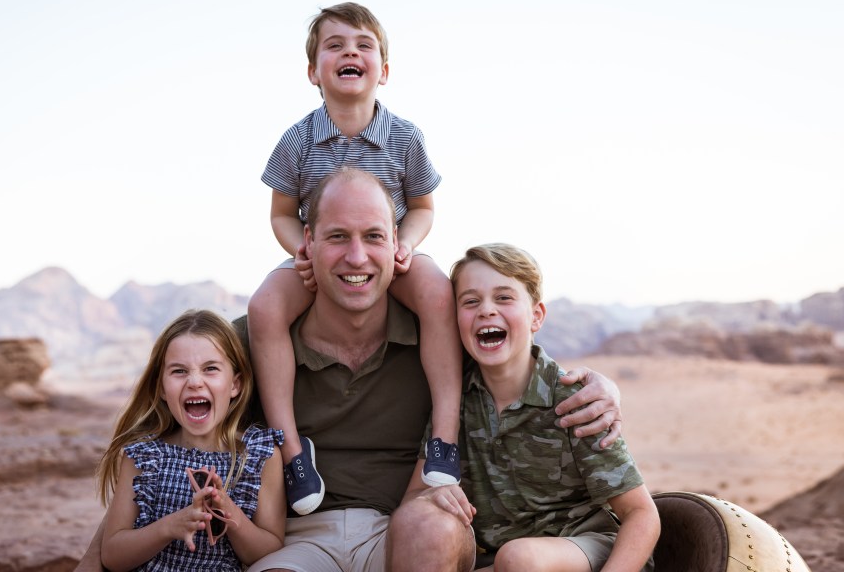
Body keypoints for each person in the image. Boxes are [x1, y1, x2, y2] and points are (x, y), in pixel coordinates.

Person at [74, 168, 624, 572]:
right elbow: (163, 445)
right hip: (296, 540)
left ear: (398, 248)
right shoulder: (255, 345)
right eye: (337, 236)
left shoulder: (440, 338)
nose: (357, 257)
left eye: (373, 237)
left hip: (406, 530)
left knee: (431, 525)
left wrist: (604, 386)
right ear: (307, 244)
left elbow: (515, 359)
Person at [248, 2, 464, 514]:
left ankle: (446, 438)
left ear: (383, 71)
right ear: (313, 71)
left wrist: (404, 244)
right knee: (264, 308)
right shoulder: (298, 140)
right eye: (336, 45)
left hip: (388, 255)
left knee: (437, 291)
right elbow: (280, 213)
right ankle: (293, 453)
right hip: (321, 258)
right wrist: (297, 248)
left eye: (364, 45)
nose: (351, 52)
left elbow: (423, 206)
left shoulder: (405, 137)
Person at [405, 243, 661, 572]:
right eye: (470, 301)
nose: (486, 310)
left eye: (504, 297)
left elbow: (641, 514)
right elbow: (413, 498)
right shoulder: (455, 400)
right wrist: (431, 497)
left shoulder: (574, 400)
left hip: (589, 548)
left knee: (519, 557)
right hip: (506, 561)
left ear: (536, 316)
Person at [95, 309, 286, 571]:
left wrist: (228, 512)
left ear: (235, 385)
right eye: (179, 371)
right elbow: (112, 556)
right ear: (161, 388)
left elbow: (266, 551)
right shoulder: (144, 456)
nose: (195, 381)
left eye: (210, 369)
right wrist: (169, 526)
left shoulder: (259, 455)